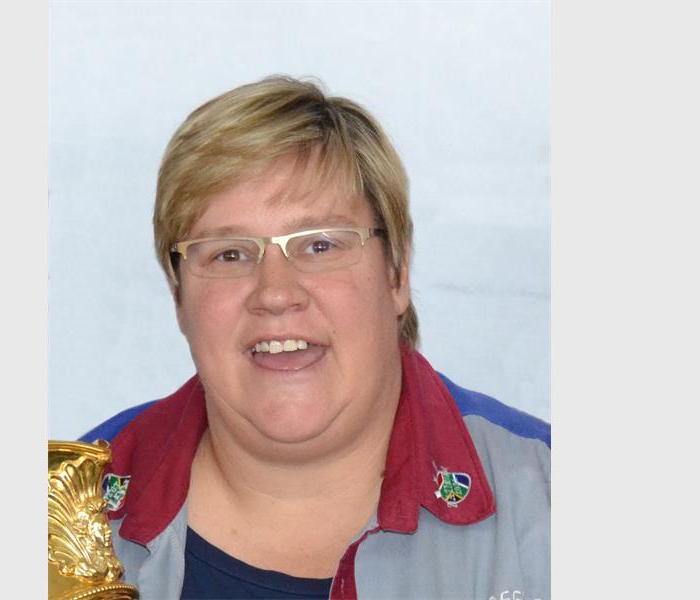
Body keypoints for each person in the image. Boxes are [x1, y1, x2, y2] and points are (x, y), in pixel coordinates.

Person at [81, 76, 551, 600]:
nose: (275, 293)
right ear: (179, 297)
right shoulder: (65, 512)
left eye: (320, 245)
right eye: (229, 253)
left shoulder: (548, 502)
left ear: (396, 273)